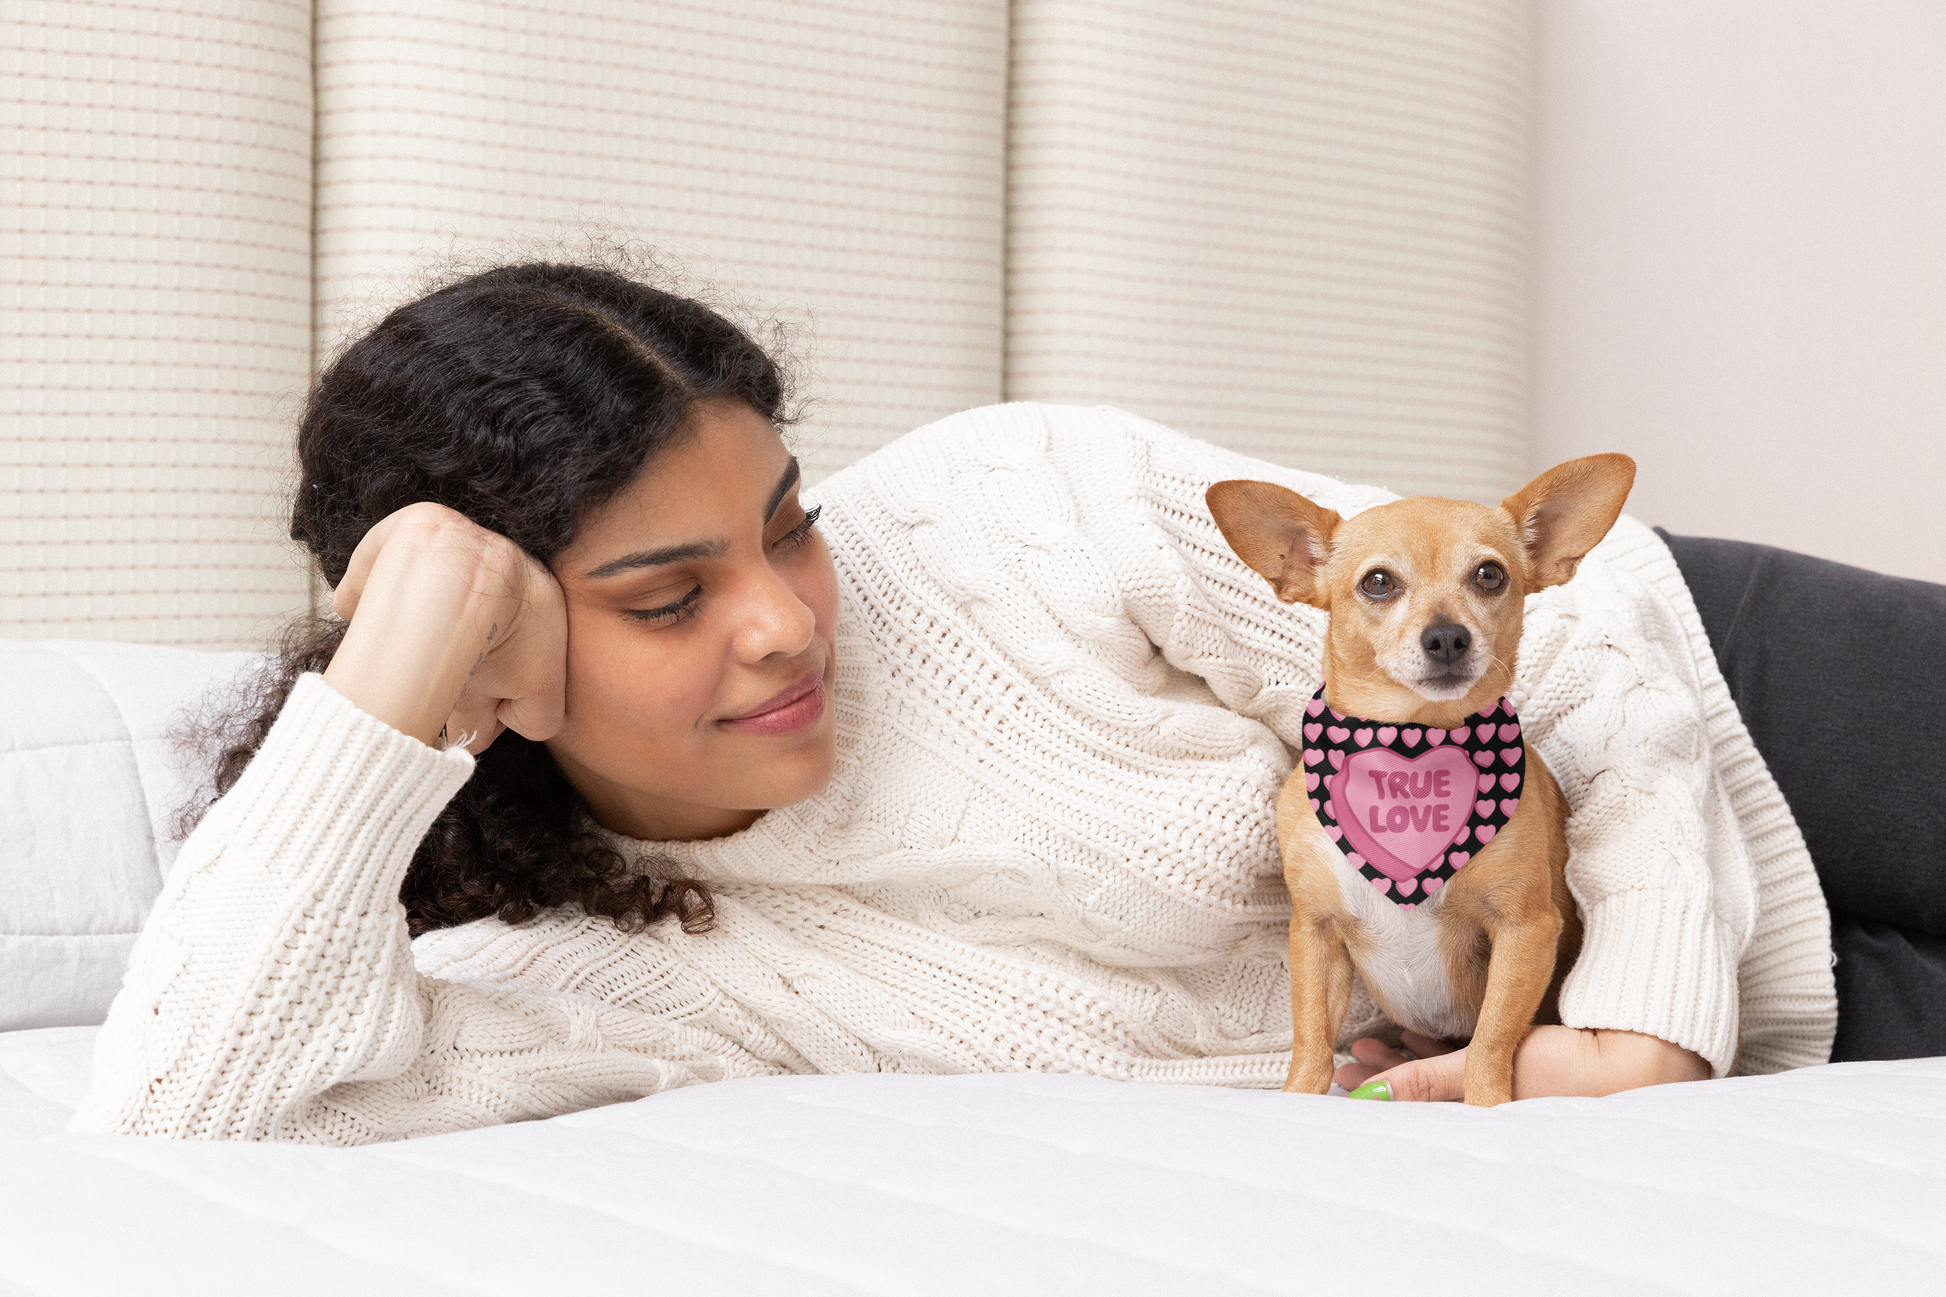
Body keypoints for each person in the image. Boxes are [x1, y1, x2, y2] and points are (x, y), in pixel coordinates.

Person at [73, 262, 1837, 1144]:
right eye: (671, 598)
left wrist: (1654, 1014)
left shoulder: (1014, 508)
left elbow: (1551, 651)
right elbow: (189, 1104)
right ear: (492, 660)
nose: (779, 623)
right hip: (1666, 1041)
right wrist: (395, 675)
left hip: (1717, 698)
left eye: (787, 528)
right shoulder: (597, 961)